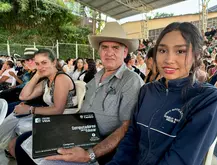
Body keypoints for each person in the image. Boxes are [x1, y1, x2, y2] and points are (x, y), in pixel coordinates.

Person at [107, 22, 217, 165]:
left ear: (196, 55)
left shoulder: (207, 99)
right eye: (162, 50)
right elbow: (130, 140)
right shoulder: (147, 91)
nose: (168, 60)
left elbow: (181, 159)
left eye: (180, 51)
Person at [42, 22, 144, 165]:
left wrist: (90, 154)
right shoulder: (95, 78)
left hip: (101, 148)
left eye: (115, 47)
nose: (109, 53)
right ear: (99, 51)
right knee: (26, 143)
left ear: (125, 52)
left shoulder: (130, 81)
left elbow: (126, 128)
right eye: (104, 47)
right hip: (78, 136)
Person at [11, 48, 77, 164]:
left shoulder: (61, 78)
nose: (41, 66)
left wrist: (30, 109)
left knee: (20, 145)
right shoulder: (47, 81)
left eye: (44, 62)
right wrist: (37, 74)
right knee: (15, 144)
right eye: (37, 64)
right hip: (52, 123)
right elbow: (23, 96)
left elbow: (58, 109)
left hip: (66, 125)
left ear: (54, 62)